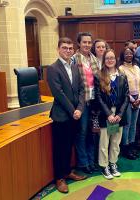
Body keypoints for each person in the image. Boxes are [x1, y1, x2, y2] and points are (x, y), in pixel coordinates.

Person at [47, 37, 87, 193]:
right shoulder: (53, 68)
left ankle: (68, 171)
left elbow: (83, 90)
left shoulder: (76, 66)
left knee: (70, 145)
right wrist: (73, 111)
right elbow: (59, 93)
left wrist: (80, 109)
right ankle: (59, 178)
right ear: (58, 49)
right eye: (65, 48)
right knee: (60, 148)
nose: (68, 51)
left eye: (70, 48)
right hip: (61, 116)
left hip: (76, 114)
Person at [95, 49, 129, 179]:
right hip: (106, 113)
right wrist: (109, 114)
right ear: (104, 60)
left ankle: (113, 163)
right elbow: (98, 97)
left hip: (119, 113)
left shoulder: (122, 75)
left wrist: (120, 114)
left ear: (116, 60)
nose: (110, 60)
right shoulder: (99, 76)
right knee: (104, 141)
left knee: (116, 141)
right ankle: (104, 166)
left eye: (112, 58)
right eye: (107, 58)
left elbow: (126, 96)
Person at [72, 32, 100, 174]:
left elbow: (98, 80)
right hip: (81, 103)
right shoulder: (74, 59)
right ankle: (83, 163)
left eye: (89, 42)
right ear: (79, 43)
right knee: (82, 133)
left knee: (92, 133)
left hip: (93, 102)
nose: (87, 45)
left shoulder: (94, 59)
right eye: (84, 42)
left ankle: (91, 160)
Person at [119, 48, 140, 160]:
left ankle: (132, 146)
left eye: (130, 53)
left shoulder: (137, 67)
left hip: (137, 98)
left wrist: (139, 98)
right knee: (127, 125)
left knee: (134, 124)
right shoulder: (120, 69)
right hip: (127, 100)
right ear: (122, 56)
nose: (129, 55)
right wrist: (132, 100)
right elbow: (122, 88)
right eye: (126, 54)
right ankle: (125, 148)